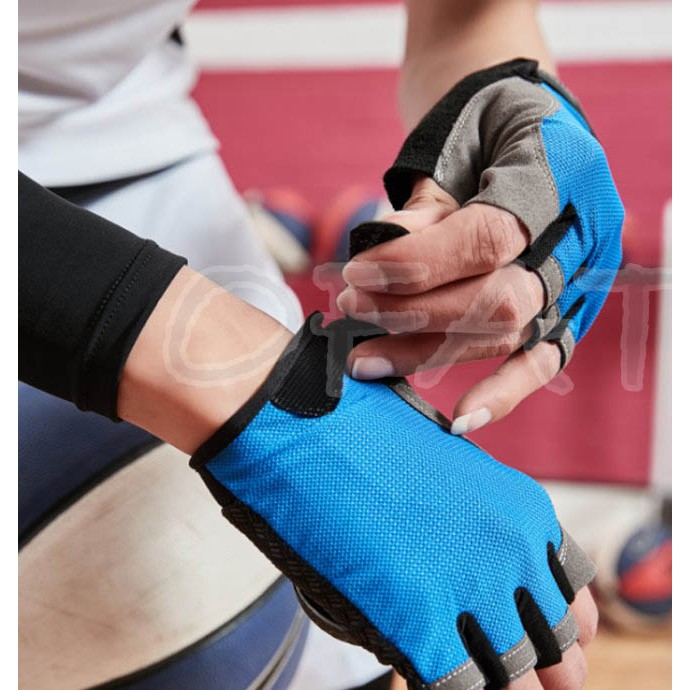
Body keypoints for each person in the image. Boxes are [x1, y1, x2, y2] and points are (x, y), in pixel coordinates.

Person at [19, 0, 622, 688]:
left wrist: (510, 105)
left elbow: (465, 17)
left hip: (130, 146)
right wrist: (261, 390)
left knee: (309, 638)